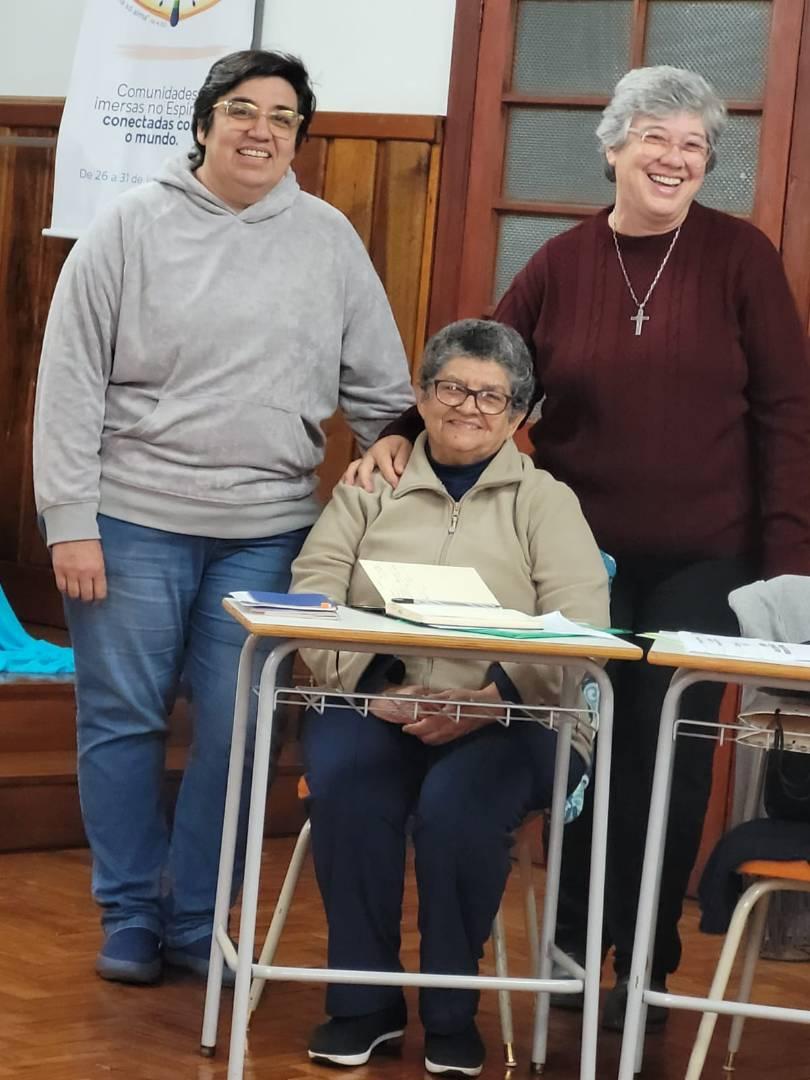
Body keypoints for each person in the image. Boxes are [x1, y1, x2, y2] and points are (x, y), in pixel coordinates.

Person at [344, 66, 810, 1030]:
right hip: (575, 555)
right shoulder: (562, 262)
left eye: (694, 144)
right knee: (581, 744)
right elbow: (487, 368)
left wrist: (786, 566)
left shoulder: (741, 258)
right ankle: (568, 945)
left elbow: (788, 413)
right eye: (655, 137)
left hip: (708, 560)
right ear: (614, 147)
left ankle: (641, 963)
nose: (674, 158)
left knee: (663, 755)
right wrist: (397, 428)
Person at [32, 49, 414, 987]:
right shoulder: (127, 226)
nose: (260, 131)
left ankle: (198, 916)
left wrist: (400, 446)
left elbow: (384, 392)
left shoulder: (329, 240)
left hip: (270, 529)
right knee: (122, 719)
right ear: (203, 124)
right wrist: (68, 520)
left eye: (283, 118)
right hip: (128, 520)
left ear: (298, 140)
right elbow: (69, 382)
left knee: (243, 728)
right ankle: (130, 913)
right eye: (242, 110)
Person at [291, 318, 610, 1076]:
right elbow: (312, 592)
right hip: (377, 700)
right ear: (422, 395)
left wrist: (494, 699)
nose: (470, 407)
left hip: (515, 716)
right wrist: (377, 686)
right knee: (347, 785)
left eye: (492, 396)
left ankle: (450, 1009)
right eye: (453, 388)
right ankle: (363, 1004)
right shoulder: (372, 485)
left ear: (518, 413)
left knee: (459, 808)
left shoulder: (547, 502)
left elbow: (583, 629)